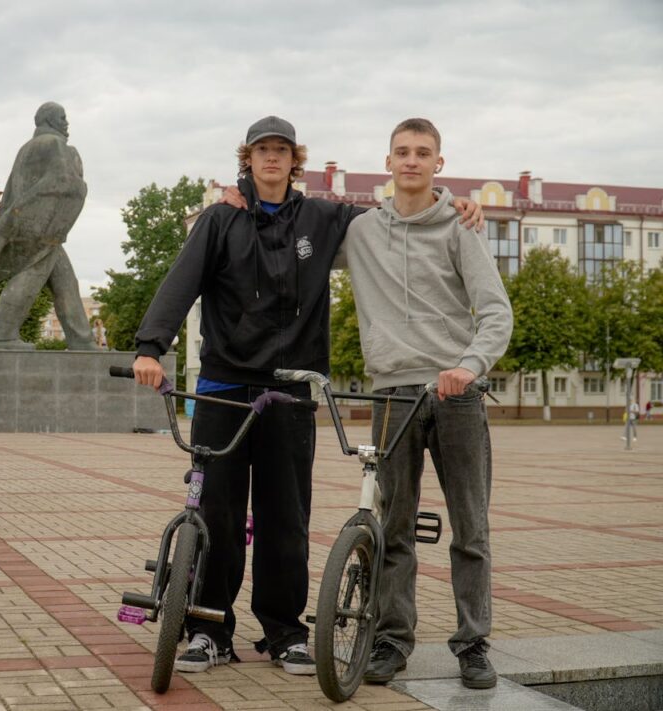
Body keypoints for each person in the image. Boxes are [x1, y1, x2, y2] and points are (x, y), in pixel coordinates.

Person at [133, 116, 482, 677]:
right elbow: (181, 282)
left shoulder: (326, 218)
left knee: (286, 516)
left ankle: (284, 632)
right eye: (261, 151)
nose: (272, 159)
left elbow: (402, 215)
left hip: (292, 389)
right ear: (247, 159)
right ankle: (207, 628)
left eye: (282, 151)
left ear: (296, 160)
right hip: (224, 386)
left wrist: (454, 204)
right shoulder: (220, 219)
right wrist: (151, 346)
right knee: (217, 510)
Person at [344, 118, 513, 690]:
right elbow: (294, 230)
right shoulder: (361, 231)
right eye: (401, 152)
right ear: (386, 162)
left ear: (439, 163)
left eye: (423, 153)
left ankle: (473, 644)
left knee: (471, 528)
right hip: (392, 392)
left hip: (456, 395)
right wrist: (243, 192)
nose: (411, 160)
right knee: (393, 528)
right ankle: (391, 642)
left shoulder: (460, 228)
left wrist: (468, 367)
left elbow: (495, 312)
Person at [0, 102, 95, 350]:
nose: (67, 123)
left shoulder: (26, 148)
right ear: (49, 120)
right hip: (41, 228)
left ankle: (81, 339)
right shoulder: (54, 145)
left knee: (65, 280)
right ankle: (3, 336)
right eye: (62, 117)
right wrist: (80, 178)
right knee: (31, 276)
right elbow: (64, 182)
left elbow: (11, 191)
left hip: (25, 223)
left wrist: (4, 227)